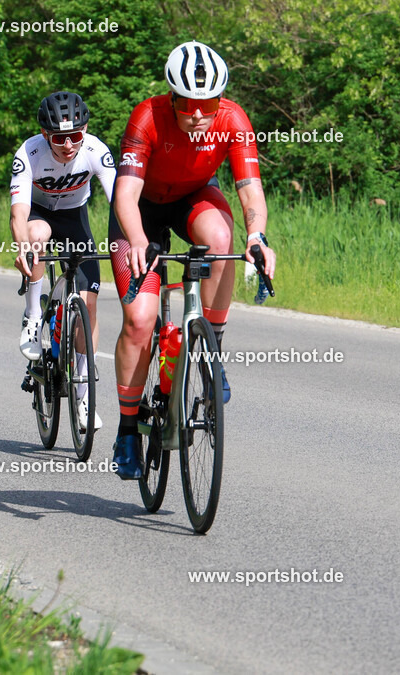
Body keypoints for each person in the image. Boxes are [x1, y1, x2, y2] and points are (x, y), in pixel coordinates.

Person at [108, 41, 277, 479]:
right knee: (140, 322)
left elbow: (248, 187)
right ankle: (128, 428)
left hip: (192, 197)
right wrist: (140, 240)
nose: (199, 113)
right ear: (171, 98)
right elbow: (125, 193)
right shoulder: (147, 117)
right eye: (187, 103)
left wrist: (257, 236)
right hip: (140, 210)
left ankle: (210, 350)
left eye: (208, 103)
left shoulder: (233, 119)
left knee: (223, 239)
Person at [11, 91, 116, 430]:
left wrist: (131, 242)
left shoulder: (96, 150)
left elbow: (120, 202)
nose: (69, 145)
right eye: (60, 138)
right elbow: (19, 212)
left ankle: (84, 396)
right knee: (37, 237)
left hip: (74, 218)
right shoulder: (29, 153)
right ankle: (32, 315)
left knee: (89, 304)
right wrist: (22, 245)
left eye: (76, 135)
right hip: (39, 214)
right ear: (46, 135)